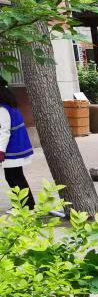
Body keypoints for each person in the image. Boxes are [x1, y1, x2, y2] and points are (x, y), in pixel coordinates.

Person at [0, 77, 35, 209]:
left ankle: (26, 206)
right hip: (18, 146)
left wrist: (1, 151)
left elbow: (5, 131)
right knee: (16, 176)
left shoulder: (2, 109)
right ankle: (27, 205)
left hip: (12, 148)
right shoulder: (11, 105)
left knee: (13, 178)